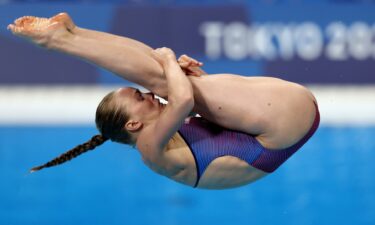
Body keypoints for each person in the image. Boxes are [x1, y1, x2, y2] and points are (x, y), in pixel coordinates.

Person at [8, 13, 320, 189]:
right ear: (133, 123)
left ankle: (73, 32)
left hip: (280, 129)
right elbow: (182, 99)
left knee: (166, 76)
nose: (149, 97)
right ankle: (59, 40)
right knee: (163, 77)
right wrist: (171, 60)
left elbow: (219, 126)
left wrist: (180, 71)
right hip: (283, 128)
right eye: (140, 99)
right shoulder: (149, 148)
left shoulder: (161, 131)